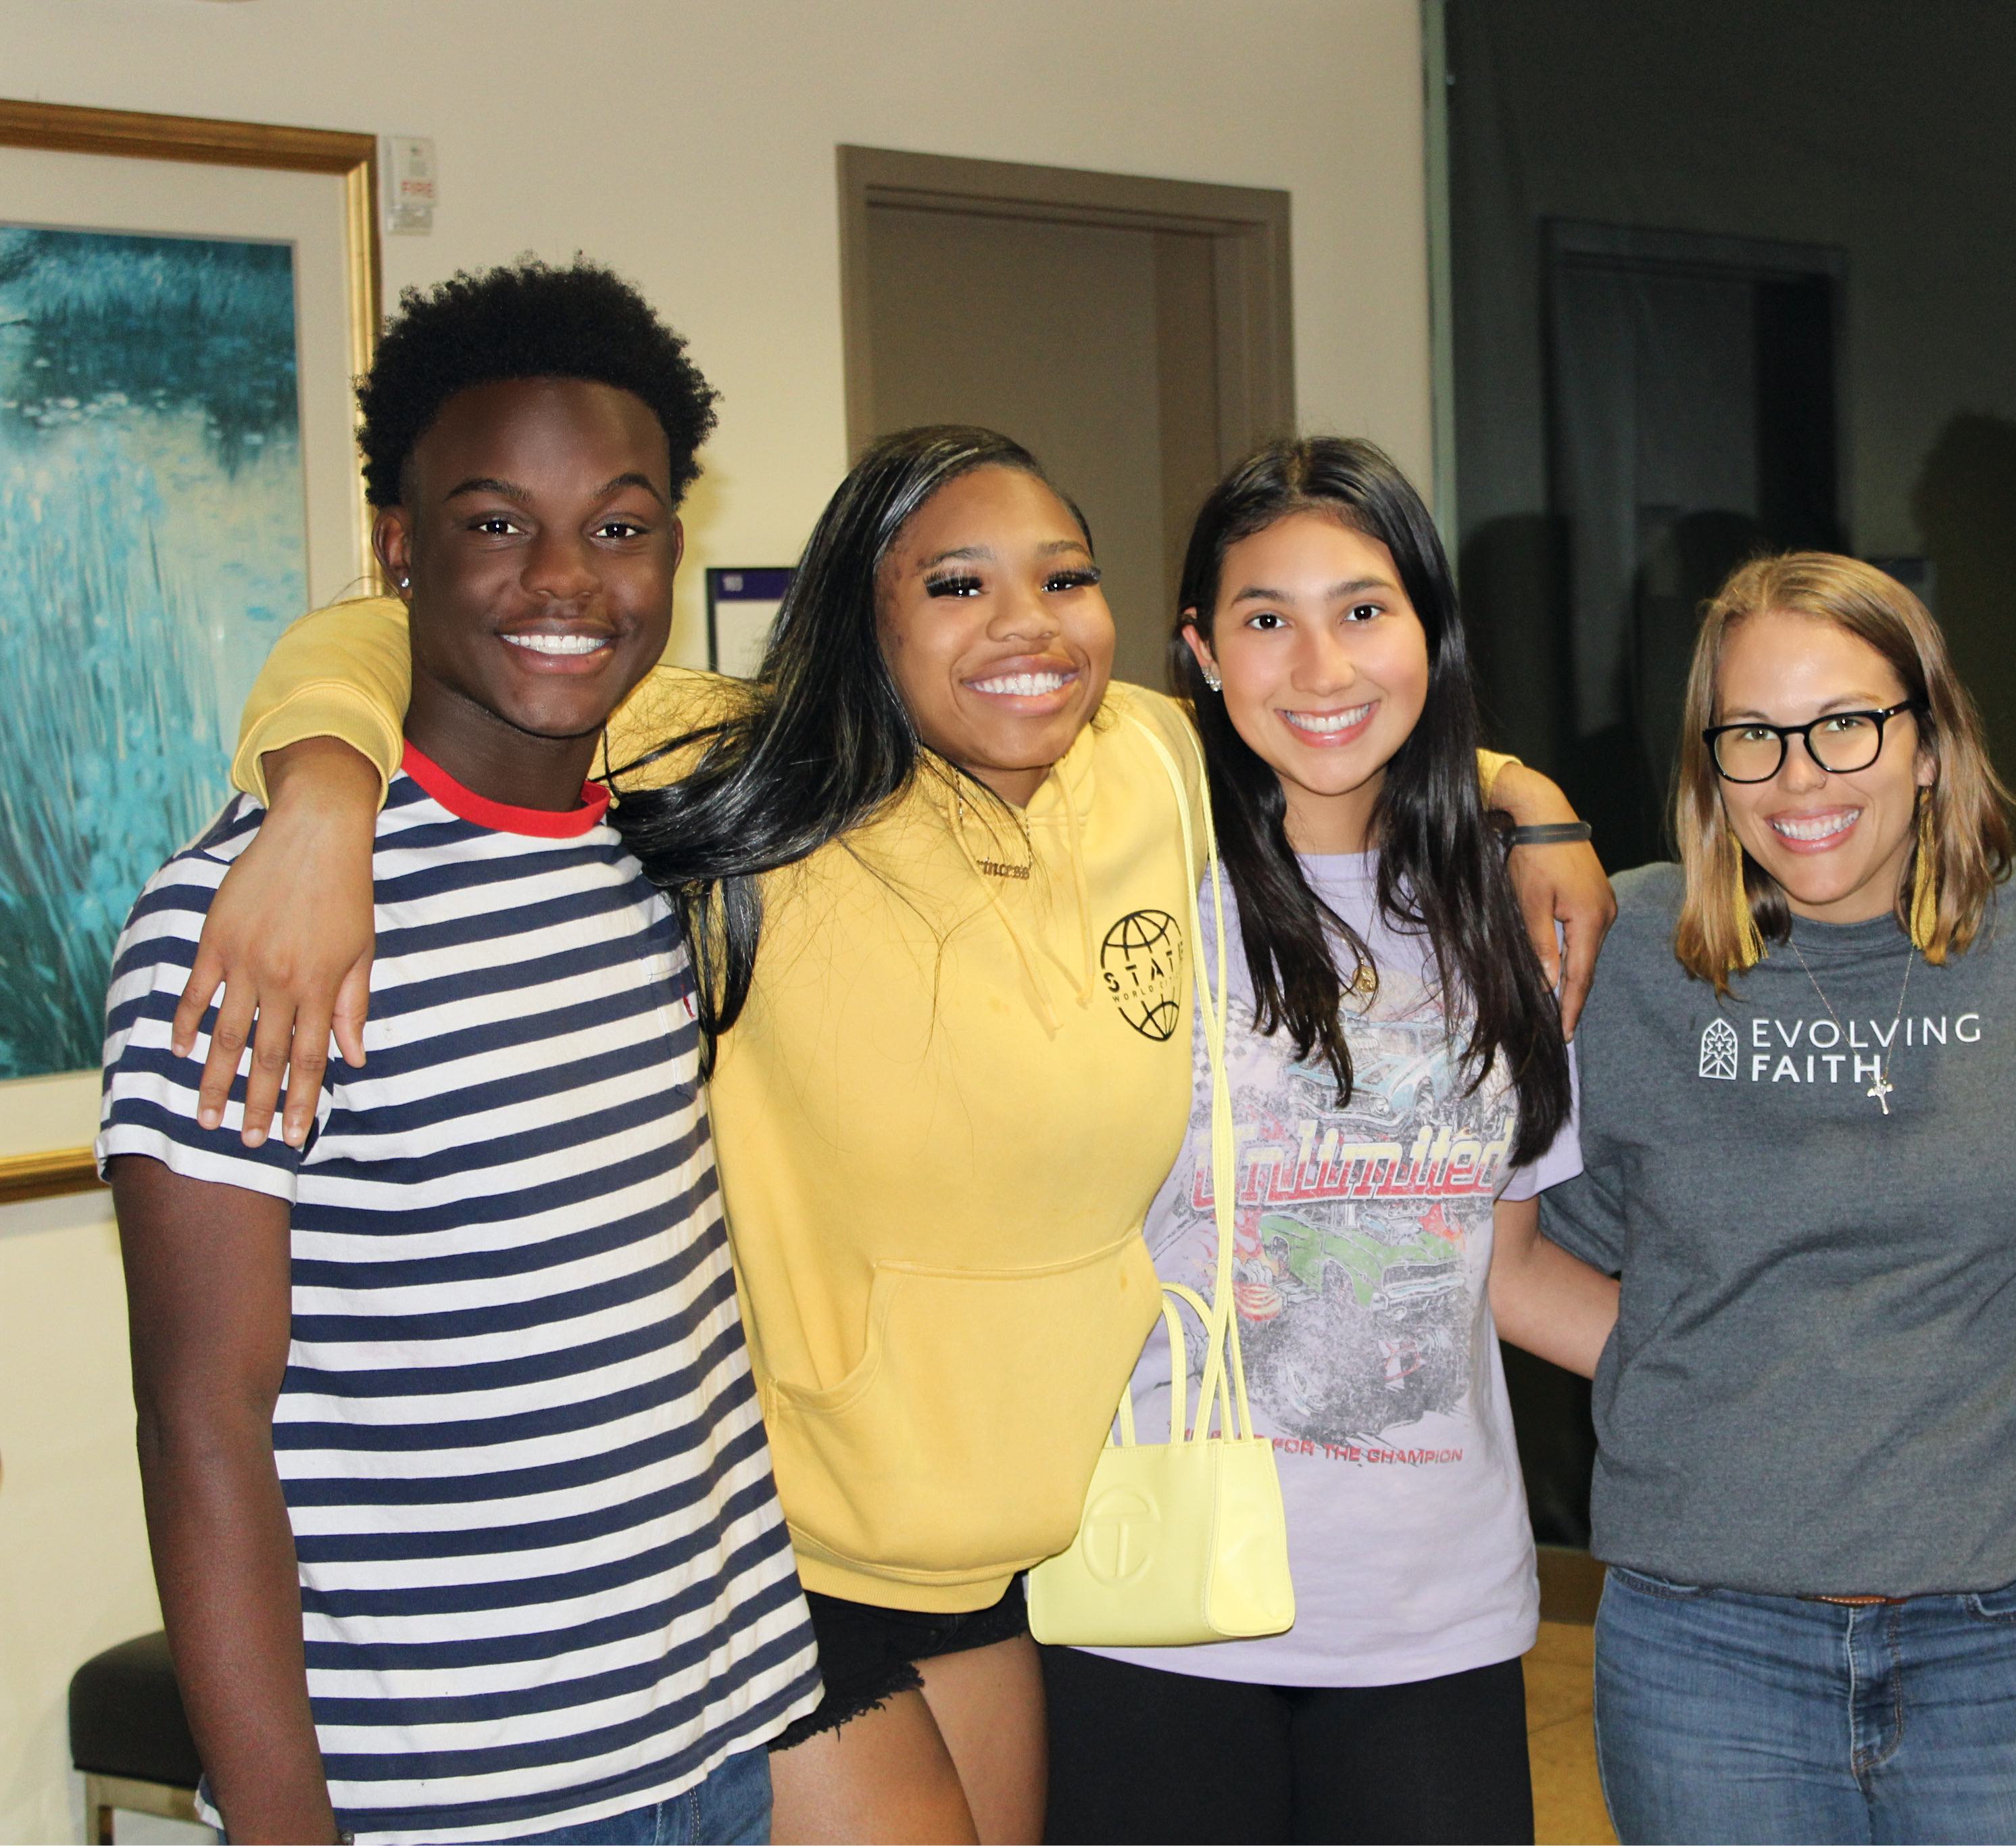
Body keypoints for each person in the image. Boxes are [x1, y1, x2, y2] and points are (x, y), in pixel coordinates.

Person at [187, 422, 1613, 1841]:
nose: (1024, 624)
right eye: (956, 585)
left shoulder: (1143, 765)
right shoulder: (746, 765)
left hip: (1015, 1561)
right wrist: (320, 790)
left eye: (1064, 579)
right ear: (863, 614)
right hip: (790, 1546)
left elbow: (1331, 712)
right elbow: (398, 642)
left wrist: (1530, 803)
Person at [98, 261, 820, 1845]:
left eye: (618, 527)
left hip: (715, 1741)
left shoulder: (670, 856)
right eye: (496, 522)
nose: (564, 579)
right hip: (452, 1796)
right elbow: (203, 1423)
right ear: (399, 547)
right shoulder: (254, 922)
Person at [1539, 552, 2016, 1844]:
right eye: (1752, 737)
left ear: (1930, 743)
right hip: (1704, 1648)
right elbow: (1517, 1252)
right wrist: (1722, 1366)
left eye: (1845, 725)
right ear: (1709, 764)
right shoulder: (1629, 958)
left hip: (2007, 1646)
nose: (1799, 779)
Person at [1038, 438, 1617, 1845]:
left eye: (1363, 610)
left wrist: (1766, 1372)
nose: (1320, 666)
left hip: (1432, 1622)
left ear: (1428, 631)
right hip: (1152, 1605)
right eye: (1265, 619)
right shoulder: (1116, 887)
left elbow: (1503, 1270)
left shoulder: (1511, 918)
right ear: (1197, 652)